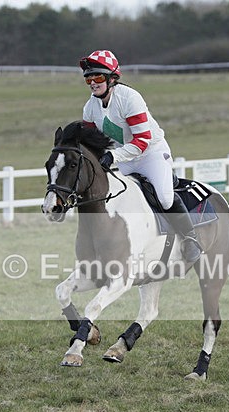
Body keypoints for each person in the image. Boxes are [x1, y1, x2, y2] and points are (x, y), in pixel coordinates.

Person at [79, 49, 202, 263]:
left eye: (98, 77)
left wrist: (112, 156)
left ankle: (191, 239)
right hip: (125, 157)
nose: (92, 82)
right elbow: (92, 144)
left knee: (164, 198)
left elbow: (142, 141)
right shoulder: (90, 108)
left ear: (112, 78)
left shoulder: (130, 98)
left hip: (151, 153)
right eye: (88, 78)